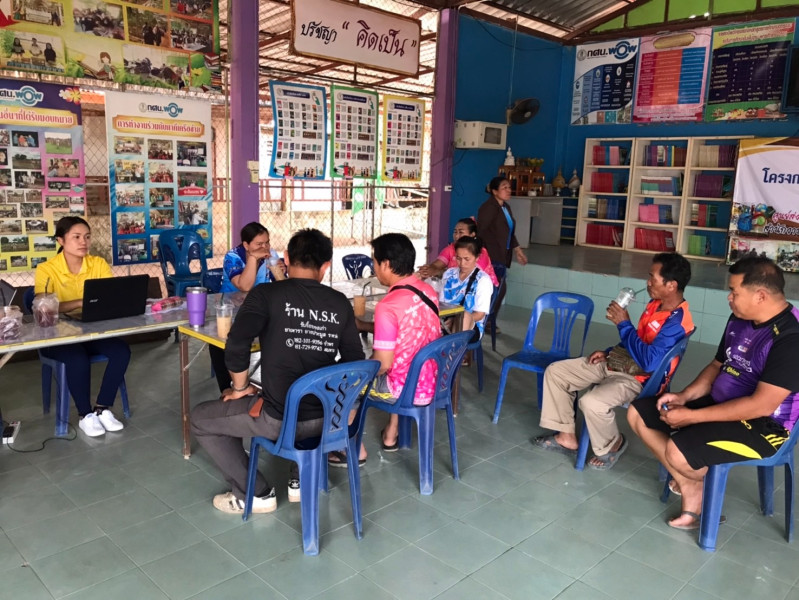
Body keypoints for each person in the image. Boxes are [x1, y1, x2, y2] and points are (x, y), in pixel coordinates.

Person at [190, 229, 364, 514]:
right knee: (304, 388)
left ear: (286, 258)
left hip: (277, 419)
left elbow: (237, 342)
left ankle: (256, 493)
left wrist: (239, 388)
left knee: (200, 419)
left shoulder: (266, 294)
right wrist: (350, 405)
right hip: (330, 419)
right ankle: (299, 479)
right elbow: (355, 362)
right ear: (325, 266)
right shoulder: (338, 303)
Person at [628, 257, 799, 530]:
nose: (729, 298)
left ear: (760, 295)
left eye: (734, 292)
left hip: (764, 426)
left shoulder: (790, 337)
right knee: (639, 413)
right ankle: (691, 484)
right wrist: (684, 397)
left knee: (678, 451)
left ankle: (693, 487)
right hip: (722, 403)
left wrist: (692, 417)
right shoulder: (740, 318)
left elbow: (761, 406)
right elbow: (717, 365)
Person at [534, 252, 694, 470]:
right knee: (556, 372)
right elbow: (639, 339)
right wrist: (609, 352)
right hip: (620, 362)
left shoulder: (677, 322)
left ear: (671, 285)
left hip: (640, 379)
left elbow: (649, 363)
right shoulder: (655, 304)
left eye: (652, 278)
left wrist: (623, 324)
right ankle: (566, 436)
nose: (647, 283)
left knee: (592, 402)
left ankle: (613, 444)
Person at [337, 233, 441, 466]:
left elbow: (383, 365)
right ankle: (391, 433)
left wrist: (356, 369)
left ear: (385, 264)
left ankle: (350, 449)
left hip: (402, 390)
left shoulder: (388, 305)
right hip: (430, 381)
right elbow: (408, 330)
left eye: (374, 262)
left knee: (345, 383)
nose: (374, 268)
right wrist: (365, 326)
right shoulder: (428, 292)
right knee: (402, 362)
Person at [33, 216, 130, 437]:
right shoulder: (46, 269)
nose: (83, 242)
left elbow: (109, 297)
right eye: (76, 237)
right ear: (60, 241)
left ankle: (102, 408)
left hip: (91, 329)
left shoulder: (98, 264)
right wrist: (79, 302)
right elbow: (43, 307)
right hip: (58, 334)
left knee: (121, 351)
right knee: (77, 358)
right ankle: (85, 415)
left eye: (87, 237)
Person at [209, 222, 285, 392]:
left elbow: (283, 286)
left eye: (267, 242)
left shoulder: (271, 255)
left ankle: (272, 387)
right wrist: (252, 259)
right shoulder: (233, 257)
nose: (265, 247)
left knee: (277, 335)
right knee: (220, 343)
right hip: (232, 310)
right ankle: (228, 388)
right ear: (246, 245)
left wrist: (281, 271)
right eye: (259, 244)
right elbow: (244, 286)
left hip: (260, 309)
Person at [476, 176, 528, 327]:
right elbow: (481, 231)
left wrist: (518, 250)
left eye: (509, 187)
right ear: (494, 191)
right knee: (497, 289)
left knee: (499, 289)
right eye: (504, 187)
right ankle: (485, 320)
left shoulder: (505, 207)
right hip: (490, 255)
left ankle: (488, 320)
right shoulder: (488, 208)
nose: (509, 190)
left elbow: (509, 232)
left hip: (502, 254)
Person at [439, 236, 494, 342]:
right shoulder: (449, 274)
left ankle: (455, 350)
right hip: (446, 321)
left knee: (464, 316)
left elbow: (479, 314)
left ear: (477, 257)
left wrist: (455, 321)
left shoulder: (482, 280)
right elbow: (442, 305)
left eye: (467, 259)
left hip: (471, 326)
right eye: (458, 258)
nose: (462, 263)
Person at [419, 217, 499, 287]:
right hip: (459, 286)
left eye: (461, 232)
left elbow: (469, 274)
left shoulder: (481, 252)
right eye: (455, 232)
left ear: (472, 234)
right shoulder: (450, 248)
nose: (457, 236)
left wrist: (439, 272)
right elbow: (437, 264)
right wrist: (428, 270)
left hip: (481, 287)